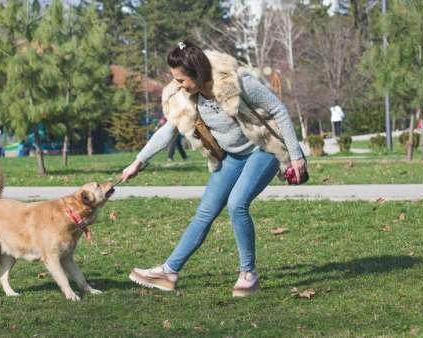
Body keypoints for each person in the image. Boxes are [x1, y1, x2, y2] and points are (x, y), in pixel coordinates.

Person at [121, 40, 306, 297]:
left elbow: (279, 110)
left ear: (197, 74)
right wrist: (138, 162)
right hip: (231, 157)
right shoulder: (186, 97)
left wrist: (296, 156)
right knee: (205, 212)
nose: (177, 85)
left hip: (263, 149)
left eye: (182, 79)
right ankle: (169, 272)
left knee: (237, 203)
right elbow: (169, 131)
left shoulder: (237, 82)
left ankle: (248, 274)